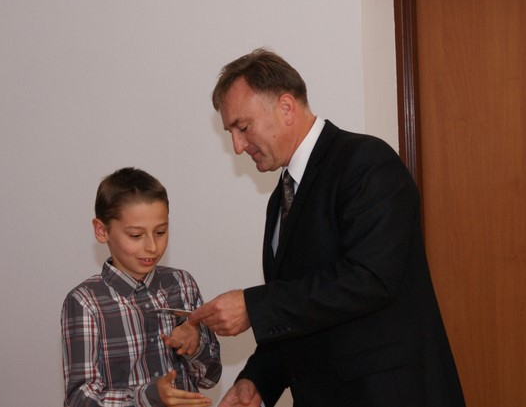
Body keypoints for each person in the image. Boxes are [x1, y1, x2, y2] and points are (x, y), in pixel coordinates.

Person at [190, 49, 465, 407]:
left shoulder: (367, 163)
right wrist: (257, 380)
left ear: (286, 108)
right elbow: (303, 309)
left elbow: (368, 279)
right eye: (232, 133)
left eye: (243, 128)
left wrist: (254, 307)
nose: (238, 146)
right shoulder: (281, 198)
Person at [62, 167, 222, 407]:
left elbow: (210, 378)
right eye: (136, 235)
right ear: (102, 231)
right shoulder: (85, 302)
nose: (152, 247)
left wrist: (195, 346)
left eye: (160, 232)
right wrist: (147, 397)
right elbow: (78, 399)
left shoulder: (182, 285)